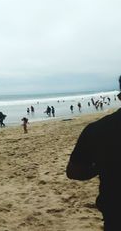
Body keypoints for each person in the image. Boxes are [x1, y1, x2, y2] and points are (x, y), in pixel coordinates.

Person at [67, 84, 121, 230]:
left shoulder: (97, 129)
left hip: (116, 211)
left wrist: (103, 165)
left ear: (119, 97)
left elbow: (74, 172)